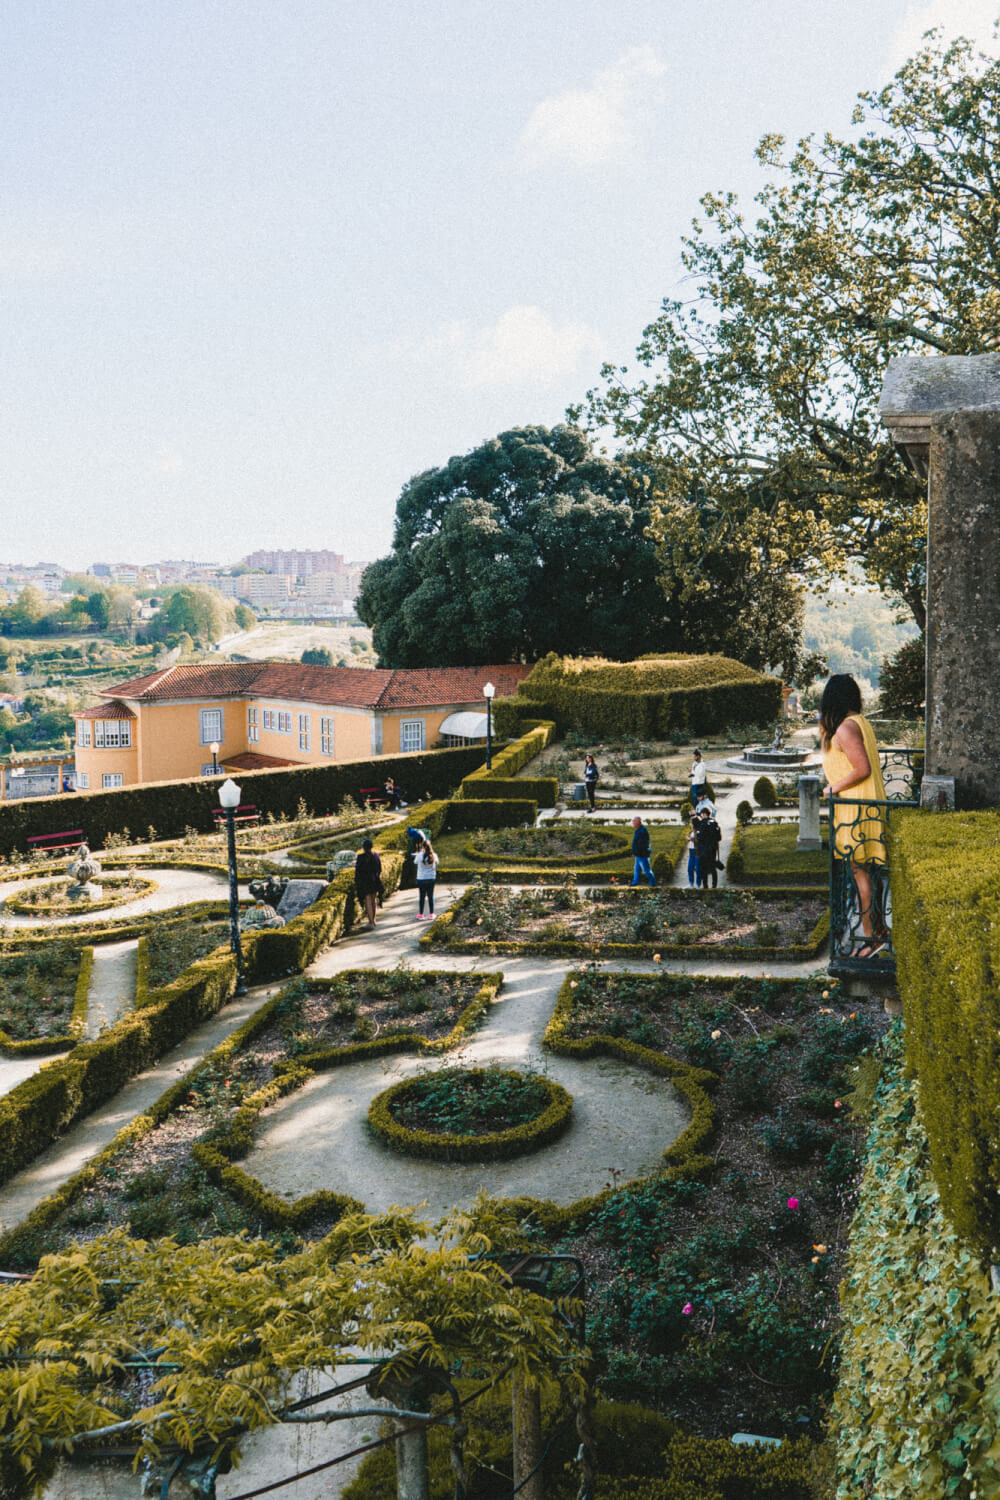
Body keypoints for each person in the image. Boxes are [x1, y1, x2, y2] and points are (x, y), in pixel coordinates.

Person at [819, 673, 888, 959]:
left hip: (856, 809)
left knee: (860, 872)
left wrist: (832, 788)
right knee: (868, 872)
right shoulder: (858, 722)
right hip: (862, 806)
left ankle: (870, 937)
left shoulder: (846, 728)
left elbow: (863, 769)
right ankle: (878, 931)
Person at [354, 838, 383, 930]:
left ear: (363, 847)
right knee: (373, 900)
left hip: (365, 881)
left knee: (368, 901)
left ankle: (371, 922)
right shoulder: (375, 856)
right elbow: (379, 869)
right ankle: (373, 920)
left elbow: (358, 871)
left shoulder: (360, 857)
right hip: (374, 880)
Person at [694, 807, 722, 889]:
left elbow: (700, 837)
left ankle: (705, 885)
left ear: (704, 814)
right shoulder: (714, 822)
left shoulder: (702, 824)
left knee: (704, 868)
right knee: (713, 867)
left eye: (702, 814)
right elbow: (719, 837)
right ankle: (714, 885)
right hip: (713, 849)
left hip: (704, 849)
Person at [413, 836, 439, 918]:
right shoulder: (434, 855)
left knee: (422, 896)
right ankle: (431, 914)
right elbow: (437, 863)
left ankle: (421, 914)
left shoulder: (419, 855)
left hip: (421, 878)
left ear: (422, 847)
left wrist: (420, 853)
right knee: (430, 896)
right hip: (431, 878)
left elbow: (415, 862)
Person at [630, 816, 657, 887]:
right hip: (639, 855)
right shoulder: (639, 829)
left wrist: (635, 853)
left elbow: (641, 845)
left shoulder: (642, 831)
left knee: (647, 871)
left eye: (634, 821)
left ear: (638, 822)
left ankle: (653, 884)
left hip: (642, 855)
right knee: (637, 869)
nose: (632, 822)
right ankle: (635, 883)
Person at [685, 815, 700, 888]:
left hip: (697, 852)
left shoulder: (698, 831)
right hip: (691, 852)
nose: (690, 824)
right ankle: (691, 884)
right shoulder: (692, 831)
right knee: (690, 869)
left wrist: (691, 839)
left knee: (698, 869)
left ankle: (698, 884)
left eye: (691, 823)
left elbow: (699, 841)